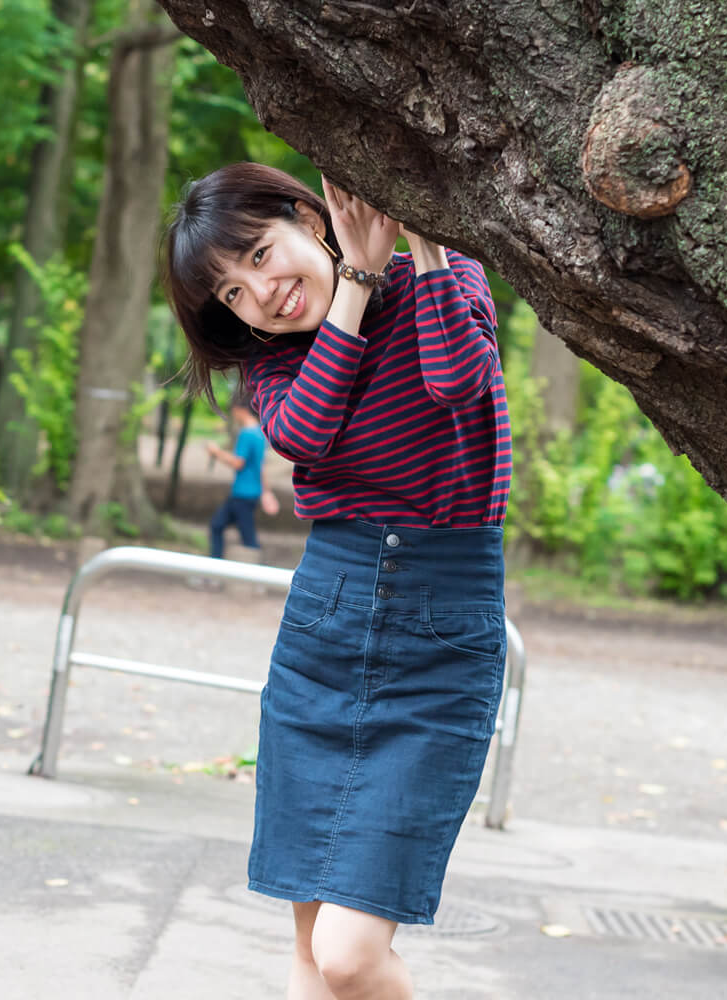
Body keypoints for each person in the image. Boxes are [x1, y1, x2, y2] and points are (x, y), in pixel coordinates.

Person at [162, 162, 510, 1000]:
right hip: (329, 617)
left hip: (442, 630)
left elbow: (457, 383)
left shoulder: (448, 273)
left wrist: (413, 245)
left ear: (306, 214)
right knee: (311, 953)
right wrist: (350, 281)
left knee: (351, 955)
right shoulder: (274, 365)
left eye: (257, 253)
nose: (260, 292)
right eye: (234, 295)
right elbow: (304, 436)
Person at [206, 402, 267, 559]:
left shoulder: (247, 433)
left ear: (240, 409)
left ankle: (256, 578)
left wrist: (216, 452)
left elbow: (238, 462)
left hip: (243, 494)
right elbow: (261, 466)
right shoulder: (260, 431)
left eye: (233, 411)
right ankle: (214, 572)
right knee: (217, 525)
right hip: (250, 492)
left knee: (248, 538)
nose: (233, 415)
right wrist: (267, 491)